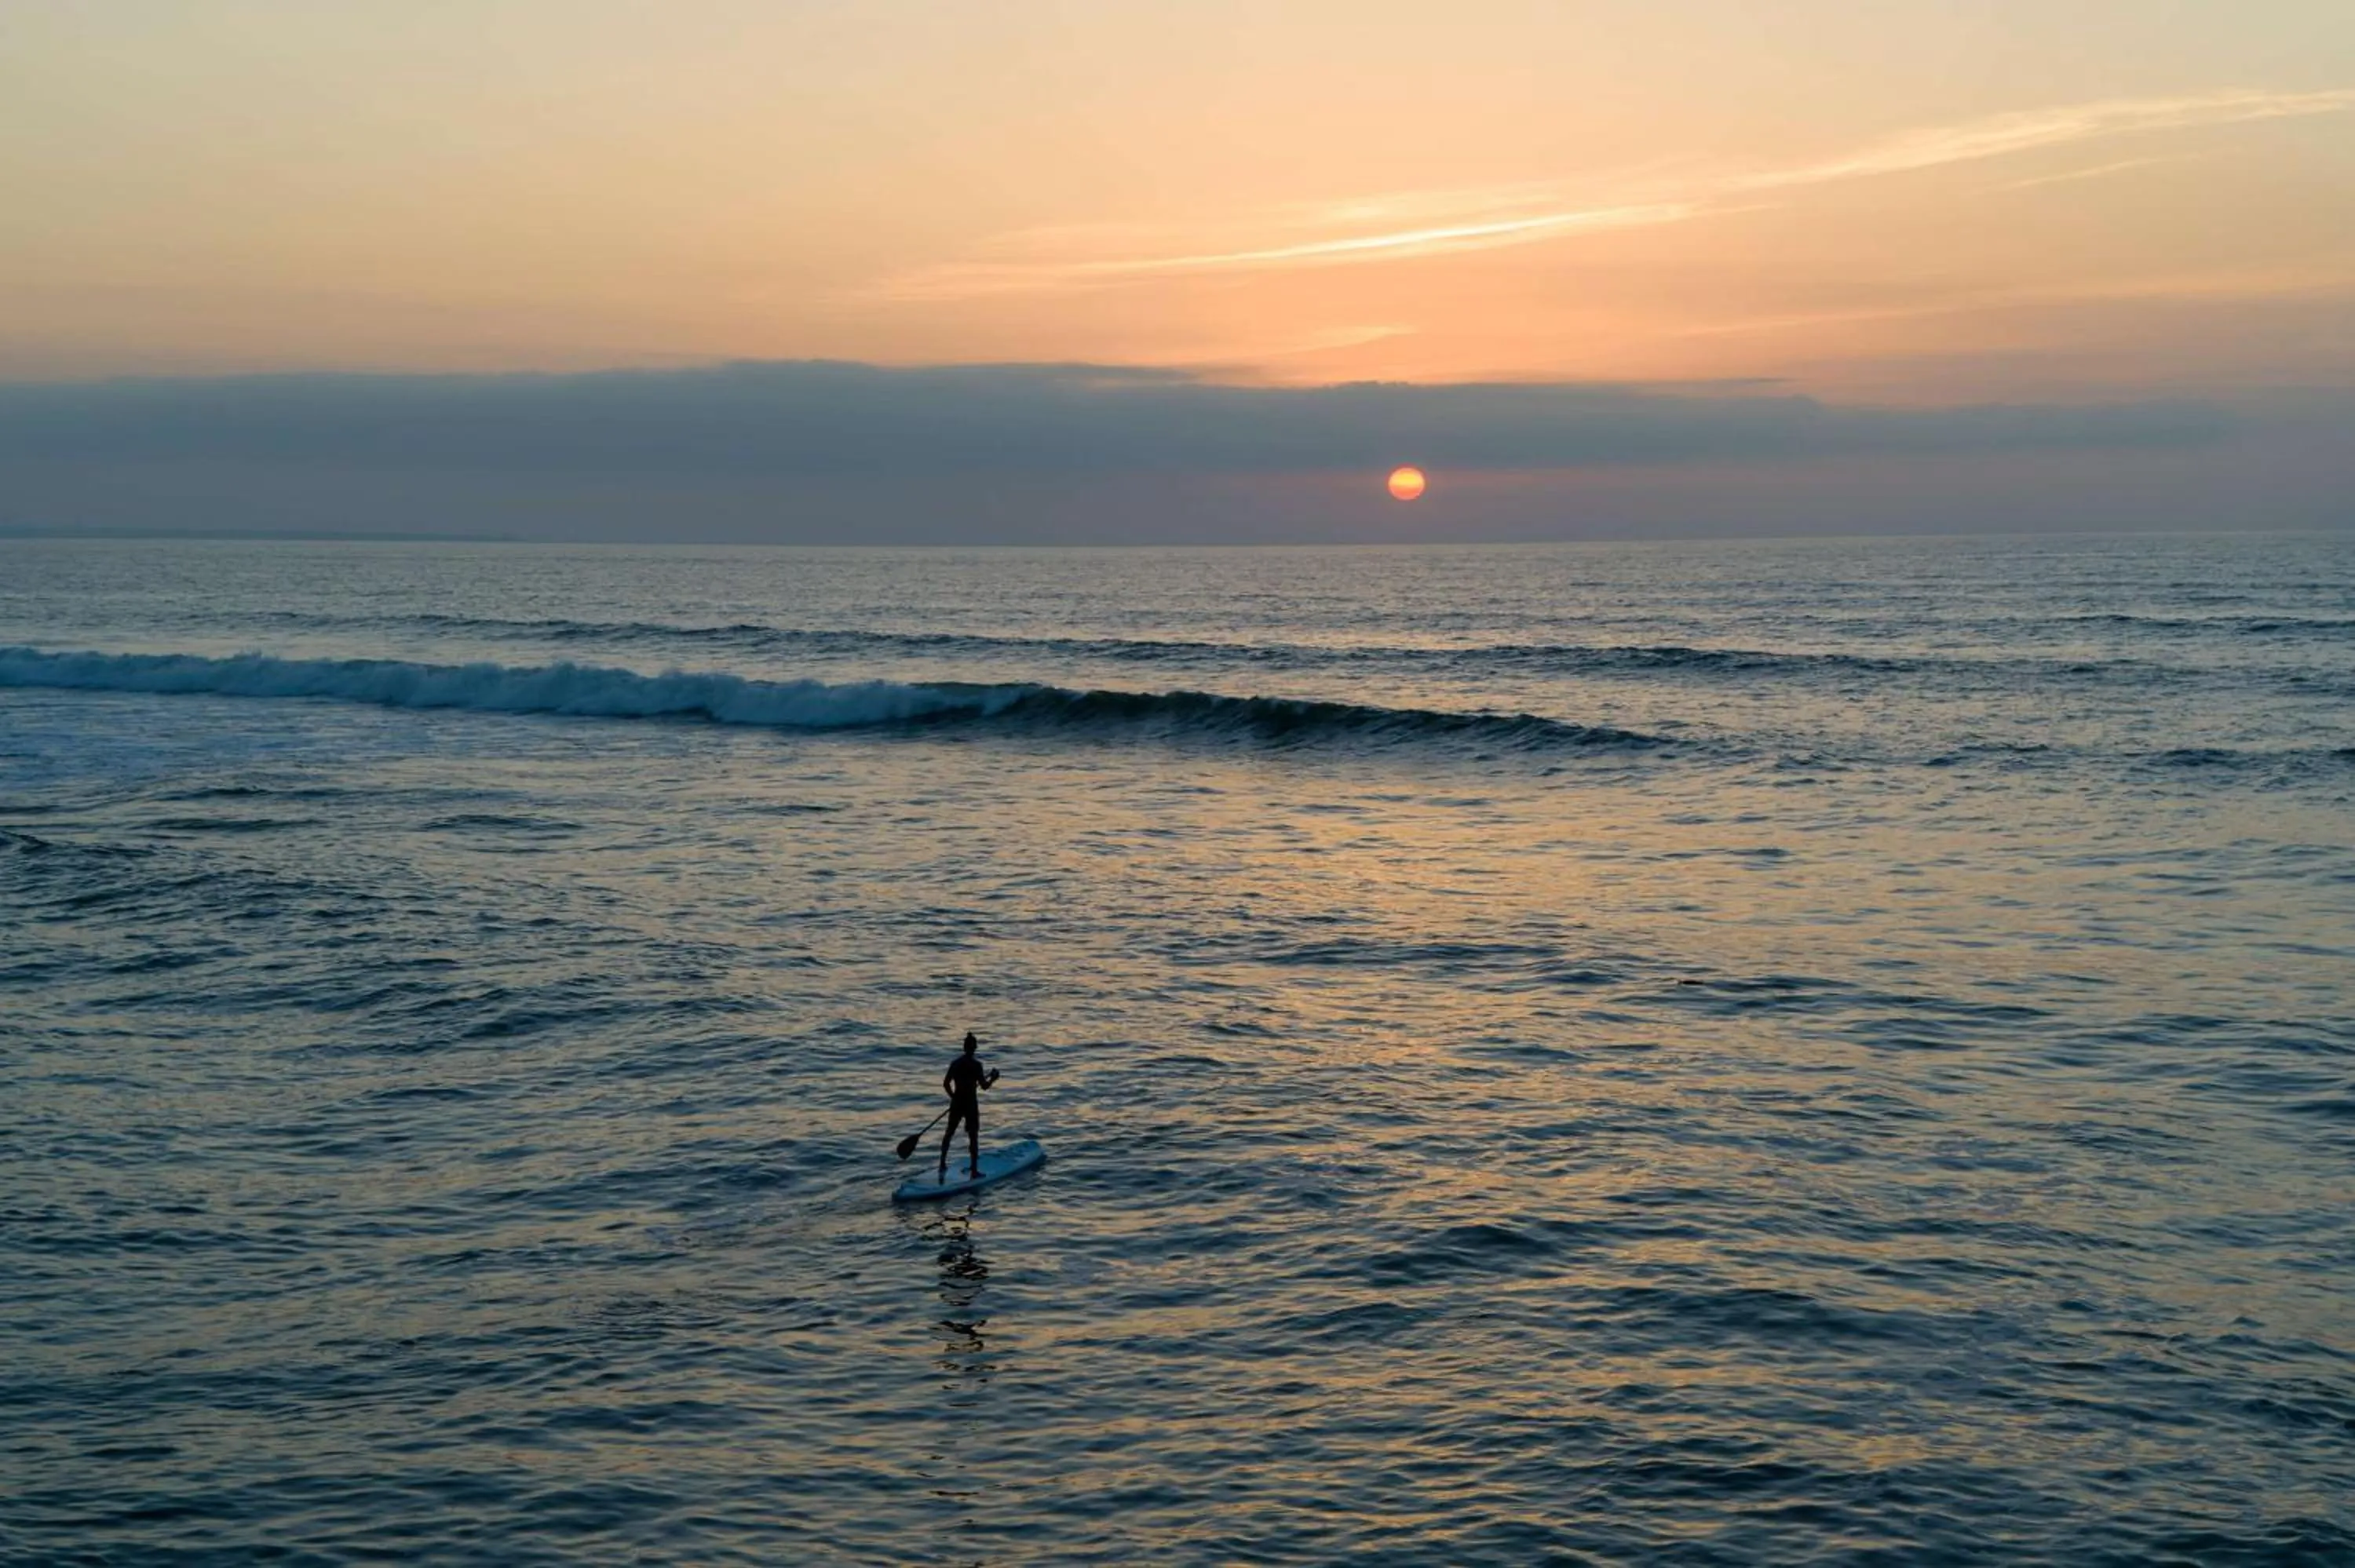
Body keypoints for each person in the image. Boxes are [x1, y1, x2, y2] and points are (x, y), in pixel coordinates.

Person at [938, 1031, 999, 1182]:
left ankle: (942, 1164)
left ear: (964, 1048)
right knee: (973, 1136)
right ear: (975, 1048)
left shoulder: (956, 1064)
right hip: (970, 1104)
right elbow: (984, 1086)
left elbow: (946, 1084)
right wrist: (993, 1078)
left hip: (957, 1103)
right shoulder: (977, 1065)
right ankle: (974, 1170)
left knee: (949, 1133)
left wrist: (954, 1098)